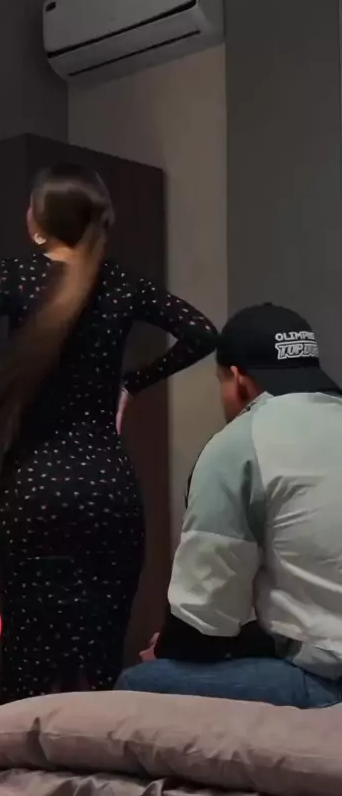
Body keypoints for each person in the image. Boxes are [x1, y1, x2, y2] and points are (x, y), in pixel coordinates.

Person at [0, 163, 217, 701]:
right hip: (107, 490)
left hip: (35, 488)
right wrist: (132, 383)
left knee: (28, 665)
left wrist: (8, 378)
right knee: (98, 666)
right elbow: (201, 331)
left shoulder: (17, 274)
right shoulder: (122, 282)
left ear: (38, 222)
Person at [116, 303, 342, 709]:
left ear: (238, 380)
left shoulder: (241, 443)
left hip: (330, 680)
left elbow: (204, 622)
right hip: (324, 649)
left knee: (139, 682)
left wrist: (167, 648)